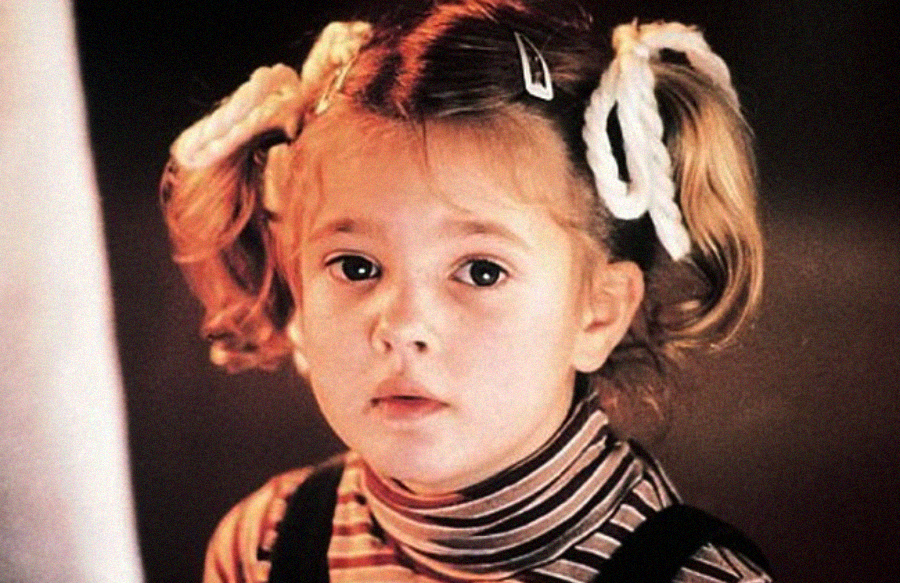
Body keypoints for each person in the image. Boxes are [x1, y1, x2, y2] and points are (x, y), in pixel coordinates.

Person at [160, 1, 770, 581]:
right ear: (297, 279)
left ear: (596, 315)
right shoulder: (263, 547)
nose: (401, 325)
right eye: (354, 266)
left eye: (481, 271)